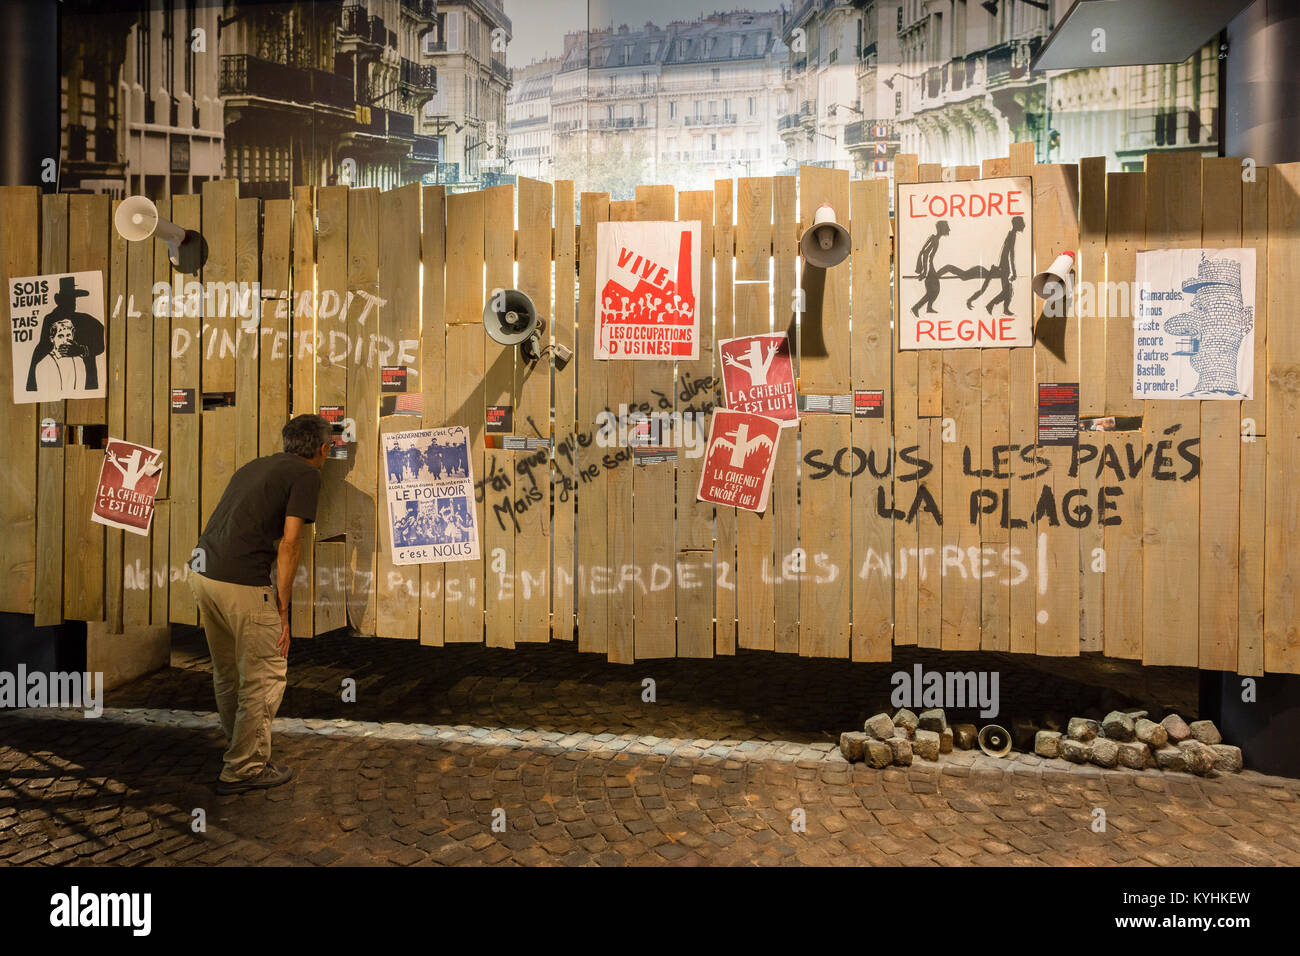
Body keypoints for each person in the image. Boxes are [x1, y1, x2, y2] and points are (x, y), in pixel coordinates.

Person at [188, 414, 331, 794]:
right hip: (241, 581)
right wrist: (282, 610)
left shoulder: (256, 465)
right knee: (264, 675)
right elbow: (290, 543)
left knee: (228, 672)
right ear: (323, 448)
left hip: (204, 572)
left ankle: (239, 748)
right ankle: (245, 767)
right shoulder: (307, 475)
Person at [909, 220, 950, 317]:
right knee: (933, 290)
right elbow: (925, 254)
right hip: (929, 268)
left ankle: (928, 307)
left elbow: (925, 254)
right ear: (941, 229)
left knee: (935, 290)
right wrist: (925, 271)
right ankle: (916, 308)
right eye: (946, 227)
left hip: (930, 268)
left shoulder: (935, 239)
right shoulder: (934, 239)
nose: (949, 229)